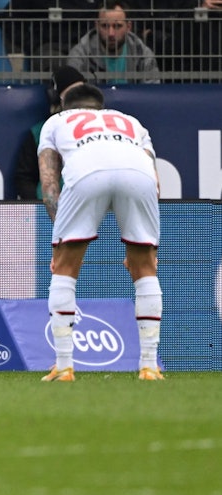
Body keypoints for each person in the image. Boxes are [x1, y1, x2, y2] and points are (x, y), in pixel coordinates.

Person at [37, 83, 163, 381]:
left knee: (64, 271)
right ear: (101, 105)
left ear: (63, 104)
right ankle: (149, 366)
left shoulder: (56, 122)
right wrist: (146, 248)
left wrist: (60, 241)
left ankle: (64, 366)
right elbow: (153, 179)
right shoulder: (131, 122)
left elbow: (49, 181)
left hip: (86, 170)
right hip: (139, 172)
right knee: (146, 271)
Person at [13, 65, 85, 200]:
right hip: (49, 210)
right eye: (72, 95)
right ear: (58, 100)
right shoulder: (38, 132)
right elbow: (24, 178)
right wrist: (39, 205)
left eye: (83, 93)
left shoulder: (104, 129)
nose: (80, 100)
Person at [67, 2, 161, 84]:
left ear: (128, 27)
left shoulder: (142, 53)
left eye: (117, 26)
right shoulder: (80, 54)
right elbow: (73, 95)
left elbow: (151, 92)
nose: (111, 33)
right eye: (105, 26)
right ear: (96, 25)